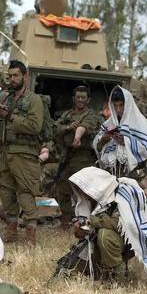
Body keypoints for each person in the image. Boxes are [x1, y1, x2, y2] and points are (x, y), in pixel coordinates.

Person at [67, 167, 147, 284]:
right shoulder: (90, 200)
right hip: (96, 242)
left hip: (126, 242)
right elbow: (84, 234)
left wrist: (91, 221)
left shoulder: (121, 193)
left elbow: (118, 223)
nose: (81, 192)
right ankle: (100, 269)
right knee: (72, 269)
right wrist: (80, 228)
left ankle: (116, 275)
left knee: (105, 235)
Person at [0, 60, 44, 245]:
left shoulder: (34, 100)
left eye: (16, 75)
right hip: (5, 153)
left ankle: (30, 238)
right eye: (10, 76)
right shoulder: (5, 99)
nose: (12, 79)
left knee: (26, 194)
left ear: (25, 76)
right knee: (6, 193)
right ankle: (11, 233)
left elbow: (35, 126)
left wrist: (10, 116)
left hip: (25, 155)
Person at [51, 86, 100, 227]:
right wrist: (67, 128)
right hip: (67, 157)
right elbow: (55, 130)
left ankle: (88, 220)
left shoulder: (92, 115)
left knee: (85, 190)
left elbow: (85, 126)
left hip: (84, 158)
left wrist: (76, 135)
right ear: (73, 99)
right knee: (63, 188)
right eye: (78, 97)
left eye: (83, 97)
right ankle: (66, 220)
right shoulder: (66, 115)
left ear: (88, 100)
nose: (80, 100)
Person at [93, 86, 147, 179]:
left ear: (128, 104)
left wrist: (126, 142)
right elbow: (97, 146)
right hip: (108, 174)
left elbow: (146, 147)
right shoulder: (109, 124)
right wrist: (103, 140)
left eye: (121, 105)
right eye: (115, 105)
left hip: (132, 174)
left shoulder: (141, 124)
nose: (118, 109)